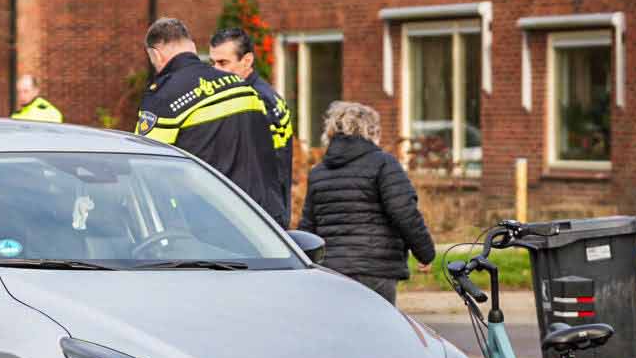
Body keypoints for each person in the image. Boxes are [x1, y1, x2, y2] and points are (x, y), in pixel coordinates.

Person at [135, 17, 285, 226]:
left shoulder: (163, 96)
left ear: (157, 55)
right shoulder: (242, 87)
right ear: (193, 48)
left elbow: (145, 165)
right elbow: (272, 155)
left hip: (209, 226)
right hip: (262, 222)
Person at [297, 102, 435, 306]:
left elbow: (308, 227)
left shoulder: (319, 172)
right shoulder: (384, 164)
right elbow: (404, 212)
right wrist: (425, 253)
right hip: (376, 270)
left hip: (332, 271)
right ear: (371, 130)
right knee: (377, 332)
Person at [208, 27, 294, 221]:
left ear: (247, 61)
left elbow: (259, 164)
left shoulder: (257, 101)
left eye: (223, 63)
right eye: (212, 63)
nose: (215, 70)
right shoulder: (260, 95)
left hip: (260, 215)